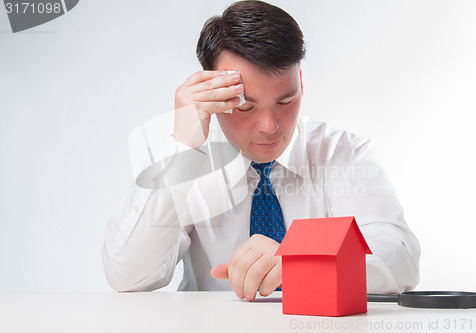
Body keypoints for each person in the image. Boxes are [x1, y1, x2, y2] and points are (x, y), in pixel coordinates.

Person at [102, 0, 420, 302]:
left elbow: (400, 255)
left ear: (301, 85)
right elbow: (128, 277)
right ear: (212, 94)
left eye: (285, 101)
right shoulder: (187, 160)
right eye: (244, 106)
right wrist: (182, 150)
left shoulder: (341, 153)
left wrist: (308, 260)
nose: (269, 126)